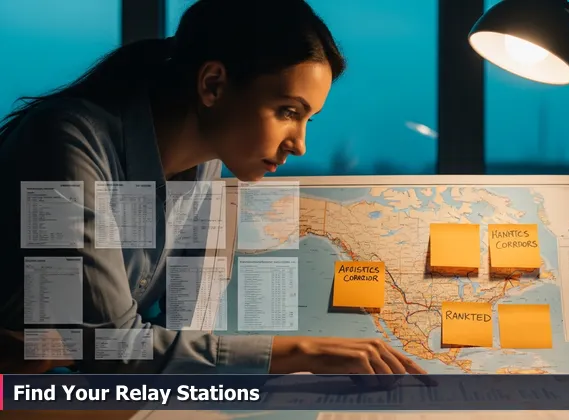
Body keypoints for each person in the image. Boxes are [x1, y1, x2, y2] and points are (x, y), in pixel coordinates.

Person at [0, 0, 428, 380]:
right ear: (213, 85)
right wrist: (302, 351)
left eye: (307, 119)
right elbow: (115, 351)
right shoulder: (66, 141)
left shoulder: (206, 165)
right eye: (287, 111)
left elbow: (181, 329)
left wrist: (87, 346)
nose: (299, 145)